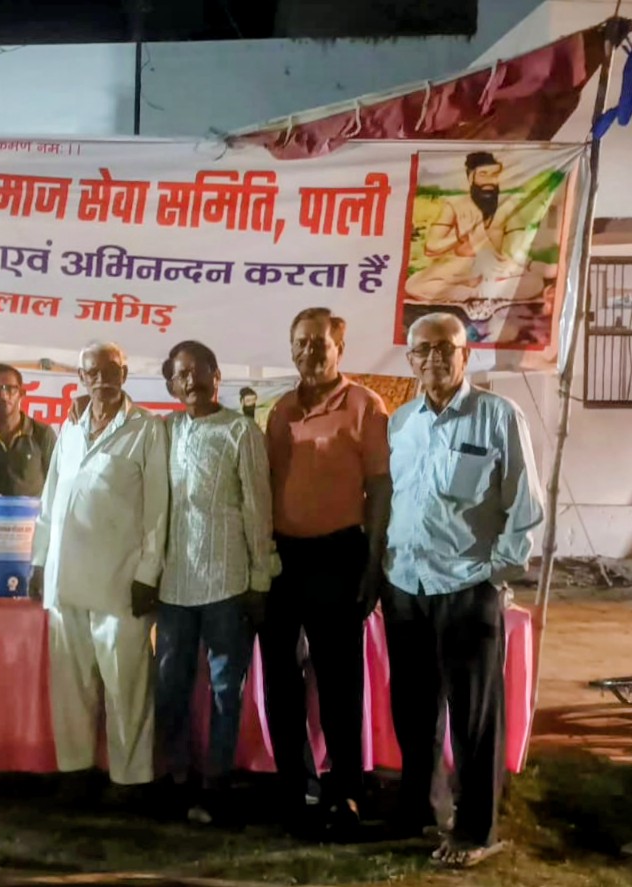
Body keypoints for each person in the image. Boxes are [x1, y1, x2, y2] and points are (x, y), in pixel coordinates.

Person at [383, 312, 542, 868]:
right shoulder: (401, 422)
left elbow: (525, 504)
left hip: (466, 587)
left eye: (444, 348)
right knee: (413, 712)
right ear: (411, 360)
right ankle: (420, 810)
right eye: (423, 350)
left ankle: (477, 829)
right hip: (406, 585)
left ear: (464, 354)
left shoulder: (498, 416)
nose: (434, 358)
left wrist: (495, 571)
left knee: (473, 717)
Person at [261, 307, 391, 837]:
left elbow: (380, 487)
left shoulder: (364, 405)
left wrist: (373, 563)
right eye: (301, 342)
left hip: (339, 554)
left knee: (339, 681)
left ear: (340, 348)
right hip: (281, 558)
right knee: (280, 678)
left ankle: (346, 792)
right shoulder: (280, 409)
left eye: (319, 343)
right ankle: (295, 786)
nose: (309, 352)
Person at [29, 342, 169, 802]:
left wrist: (148, 573)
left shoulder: (146, 428)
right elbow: (50, 501)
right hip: (64, 576)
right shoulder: (69, 426)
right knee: (71, 684)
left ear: (125, 374)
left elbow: (158, 509)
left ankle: (131, 779)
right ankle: (75, 771)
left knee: (126, 684)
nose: (102, 379)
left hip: (121, 581)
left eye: (111, 370)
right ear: (81, 377)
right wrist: (38, 560)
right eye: (92, 372)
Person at [155, 341, 273, 826]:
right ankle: (177, 779)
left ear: (217, 375)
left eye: (198, 371)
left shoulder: (241, 431)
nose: (190, 381)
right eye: (180, 375)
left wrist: (260, 578)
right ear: (171, 384)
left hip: (228, 581)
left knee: (226, 690)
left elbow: (257, 509)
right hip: (173, 584)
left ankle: (217, 784)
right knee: (171, 687)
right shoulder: (164, 430)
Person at [404, 152, 551, 309]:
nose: (489, 181)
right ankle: (480, 292)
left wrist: (531, 265)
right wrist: (460, 235)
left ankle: (479, 291)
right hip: (461, 270)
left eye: (494, 174)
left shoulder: (508, 207)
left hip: (496, 268)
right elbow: (432, 247)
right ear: (470, 177)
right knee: (414, 285)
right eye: (483, 174)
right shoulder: (454, 205)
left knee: (534, 283)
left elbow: (516, 249)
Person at [0, 363, 56, 498]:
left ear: (22, 393)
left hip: (31, 512)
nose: (3, 395)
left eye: (10, 389)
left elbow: (57, 482)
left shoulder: (42, 434)